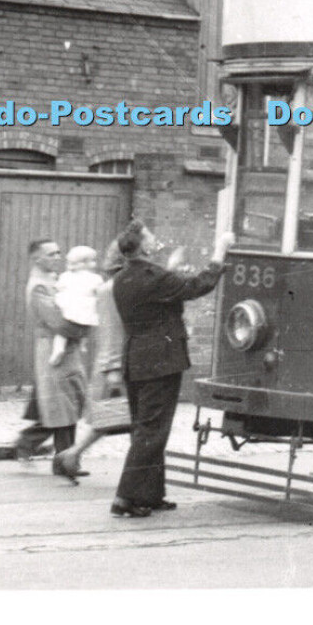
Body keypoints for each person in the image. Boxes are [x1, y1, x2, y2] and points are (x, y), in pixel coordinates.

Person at [109, 220, 233, 518]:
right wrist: (220, 252)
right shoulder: (154, 277)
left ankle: (150, 495)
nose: (156, 241)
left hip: (136, 359)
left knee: (145, 427)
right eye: (151, 238)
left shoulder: (122, 277)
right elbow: (198, 286)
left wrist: (171, 268)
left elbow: (160, 292)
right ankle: (125, 497)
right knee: (152, 430)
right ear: (145, 246)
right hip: (161, 361)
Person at [52, 241, 128, 485]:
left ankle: (71, 454)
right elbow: (112, 331)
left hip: (114, 363)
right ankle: (71, 454)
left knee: (117, 418)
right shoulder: (110, 289)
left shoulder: (109, 287)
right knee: (116, 417)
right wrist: (114, 368)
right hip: (115, 365)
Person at [13, 239, 88, 470]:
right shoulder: (38, 287)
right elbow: (56, 321)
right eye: (52, 254)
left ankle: (31, 444)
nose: (58, 257)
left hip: (67, 349)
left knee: (67, 403)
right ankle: (63, 461)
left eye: (59, 253)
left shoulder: (56, 280)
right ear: (37, 258)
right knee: (61, 405)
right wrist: (85, 325)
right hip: (53, 350)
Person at [47, 246, 102, 369]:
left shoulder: (65, 276)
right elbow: (100, 292)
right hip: (86, 311)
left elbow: (58, 287)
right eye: (92, 261)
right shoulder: (96, 278)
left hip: (71, 309)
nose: (95, 264)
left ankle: (58, 348)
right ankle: (82, 343)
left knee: (62, 333)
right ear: (83, 263)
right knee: (85, 327)